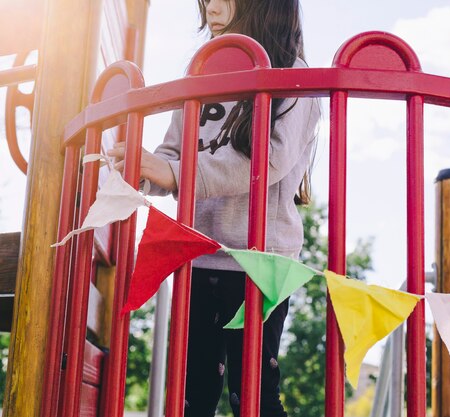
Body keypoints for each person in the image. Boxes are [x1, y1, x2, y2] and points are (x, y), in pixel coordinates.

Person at [108, 0, 320, 416]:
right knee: (192, 393)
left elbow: (270, 159)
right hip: (198, 254)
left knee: (254, 395)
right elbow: (173, 152)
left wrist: (174, 173)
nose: (211, 6)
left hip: (260, 263)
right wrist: (143, 171)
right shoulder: (202, 73)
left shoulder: (295, 76)